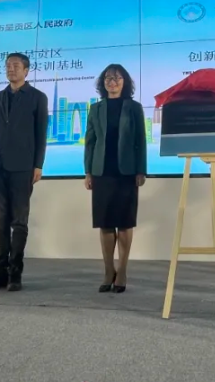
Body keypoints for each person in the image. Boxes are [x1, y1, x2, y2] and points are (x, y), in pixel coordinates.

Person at [0, 52, 49, 292]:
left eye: (16, 65)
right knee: (0, 223)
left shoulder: (37, 97)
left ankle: (15, 273)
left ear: (26, 71)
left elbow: (41, 133)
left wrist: (38, 164)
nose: (11, 69)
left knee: (19, 222)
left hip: (23, 166)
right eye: (8, 65)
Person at [83, 64, 147, 293]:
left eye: (117, 78)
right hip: (102, 172)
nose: (112, 82)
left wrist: (141, 170)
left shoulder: (134, 108)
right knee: (106, 223)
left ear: (124, 82)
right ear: (103, 83)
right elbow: (90, 142)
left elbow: (140, 141)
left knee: (125, 222)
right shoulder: (95, 109)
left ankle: (123, 271)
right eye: (108, 78)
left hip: (127, 172)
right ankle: (108, 270)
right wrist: (88, 172)